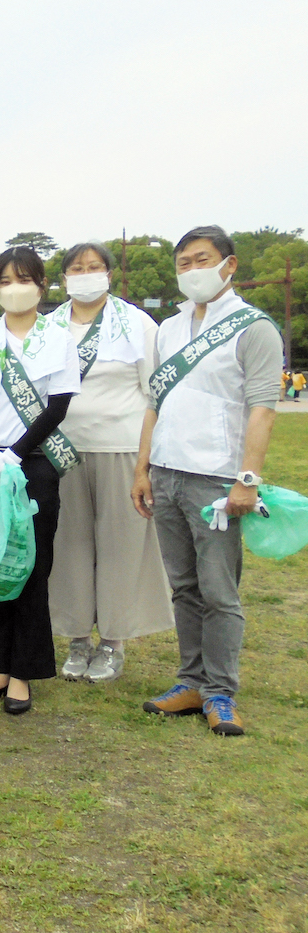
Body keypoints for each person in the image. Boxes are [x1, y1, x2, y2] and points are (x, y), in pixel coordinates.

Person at [134, 226, 281, 737]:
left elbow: (262, 409)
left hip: (217, 480)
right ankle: (190, 680)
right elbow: (155, 402)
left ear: (229, 264)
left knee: (219, 591)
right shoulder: (169, 329)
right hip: (167, 472)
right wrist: (143, 467)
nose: (192, 270)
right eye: (184, 263)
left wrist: (247, 479)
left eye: (202, 259)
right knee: (183, 587)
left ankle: (221, 691)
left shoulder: (253, 328)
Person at [0, 246, 80, 716]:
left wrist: (17, 454)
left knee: (30, 565)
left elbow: (59, 405)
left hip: (35, 464)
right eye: (5, 280)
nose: (15, 288)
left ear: (41, 286)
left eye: (24, 278)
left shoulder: (57, 338)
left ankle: (23, 672)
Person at [46, 243, 172, 684]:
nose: (85, 274)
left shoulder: (136, 323)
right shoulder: (49, 326)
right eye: (77, 268)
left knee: (121, 546)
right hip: (62, 452)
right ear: (63, 278)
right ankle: (77, 638)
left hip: (121, 448)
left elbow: (156, 392)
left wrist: (145, 463)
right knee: (70, 545)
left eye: (94, 267)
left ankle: (113, 643)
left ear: (109, 274)